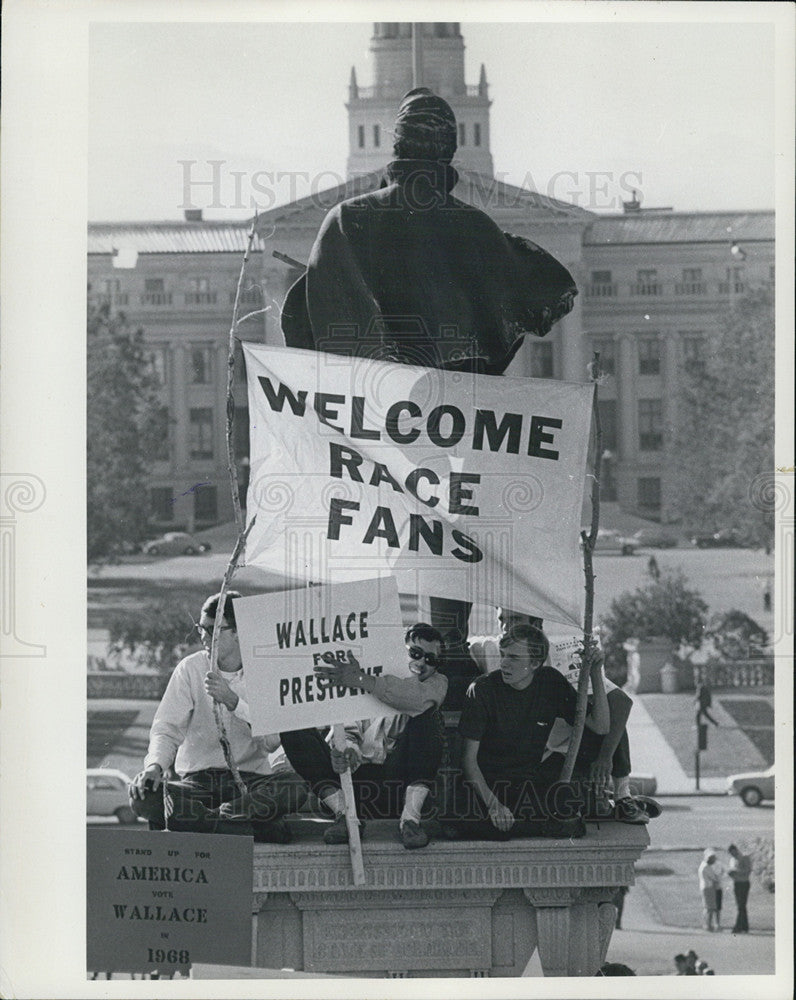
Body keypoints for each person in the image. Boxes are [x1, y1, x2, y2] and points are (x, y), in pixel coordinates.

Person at [281, 87, 577, 706]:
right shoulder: (474, 227)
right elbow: (547, 295)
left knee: (366, 528)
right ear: (451, 155)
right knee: (449, 531)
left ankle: (376, 661)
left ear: (393, 149)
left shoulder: (350, 220)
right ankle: (443, 656)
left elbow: (303, 329)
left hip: (376, 420)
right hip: (458, 421)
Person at [129, 591, 308, 841]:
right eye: (200, 627)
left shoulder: (264, 672)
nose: (203, 635)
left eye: (212, 629)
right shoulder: (190, 669)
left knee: (295, 785)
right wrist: (154, 766)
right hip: (197, 784)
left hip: (249, 786)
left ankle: (211, 822)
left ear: (239, 631)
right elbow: (166, 729)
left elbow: (272, 742)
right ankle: (246, 828)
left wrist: (234, 702)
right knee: (144, 795)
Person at [471, 609, 654, 824]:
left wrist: (605, 758)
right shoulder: (491, 648)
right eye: (501, 619)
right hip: (533, 755)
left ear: (536, 625)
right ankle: (599, 800)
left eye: (515, 619)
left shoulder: (558, 658)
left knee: (610, 713)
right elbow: (458, 645)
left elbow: (620, 703)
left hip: (566, 748)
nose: (506, 626)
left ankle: (622, 795)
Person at [280, 623, 447, 849]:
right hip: (351, 787)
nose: (420, 663)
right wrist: (347, 752)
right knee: (292, 727)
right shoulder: (364, 672)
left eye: (430, 659)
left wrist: (362, 680)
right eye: (414, 653)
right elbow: (348, 729)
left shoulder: (436, 683)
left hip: (397, 785)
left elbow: (416, 700)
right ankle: (344, 816)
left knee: (429, 718)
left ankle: (410, 821)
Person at [456, 621, 610, 839]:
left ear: (536, 663)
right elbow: (468, 761)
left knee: (569, 802)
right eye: (503, 654)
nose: (504, 664)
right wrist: (494, 806)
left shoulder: (550, 682)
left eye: (514, 657)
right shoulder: (482, 689)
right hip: (485, 785)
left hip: (525, 784)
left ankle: (519, 827)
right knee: (459, 818)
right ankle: (536, 827)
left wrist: (595, 671)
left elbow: (601, 726)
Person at [727, 843, 752, 933]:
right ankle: (744, 926)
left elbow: (748, 870)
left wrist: (736, 871)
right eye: (730, 853)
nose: (732, 854)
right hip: (736, 883)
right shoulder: (732, 860)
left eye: (733, 852)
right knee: (740, 906)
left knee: (741, 905)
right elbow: (732, 872)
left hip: (744, 883)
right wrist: (731, 874)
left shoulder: (744, 857)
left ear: (736, 850)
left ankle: (738, 926)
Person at [698, 849, 722, 931]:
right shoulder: (706, 867)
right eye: (712, 859)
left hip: (706, 887)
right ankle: (707, 925)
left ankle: (708, 925)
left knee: (709, 907)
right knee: (709, 908)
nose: (713, 861)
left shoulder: (703, 865)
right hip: (708, 887)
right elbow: (714, 877)